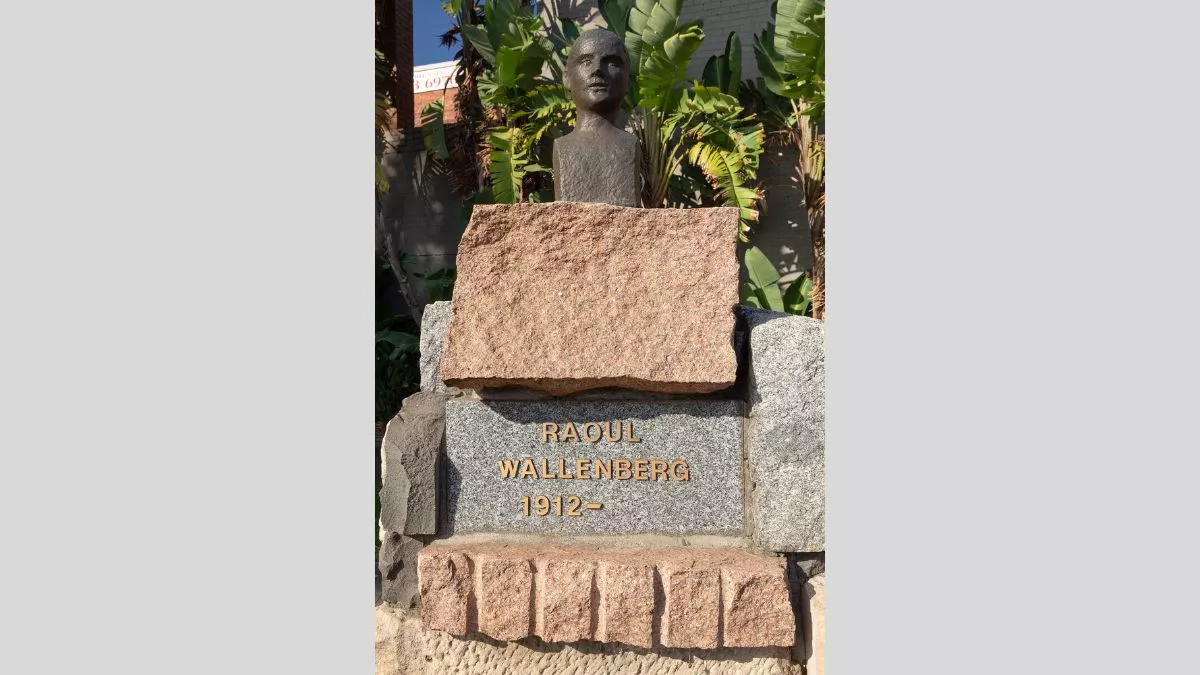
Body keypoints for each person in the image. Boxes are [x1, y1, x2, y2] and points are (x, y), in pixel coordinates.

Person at [553, 30, 641, 207]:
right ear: (566, 78)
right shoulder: (563, 148)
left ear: (628, 82)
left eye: (612, 63)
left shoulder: (629, 145)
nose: (597, 70)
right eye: (586, 62)